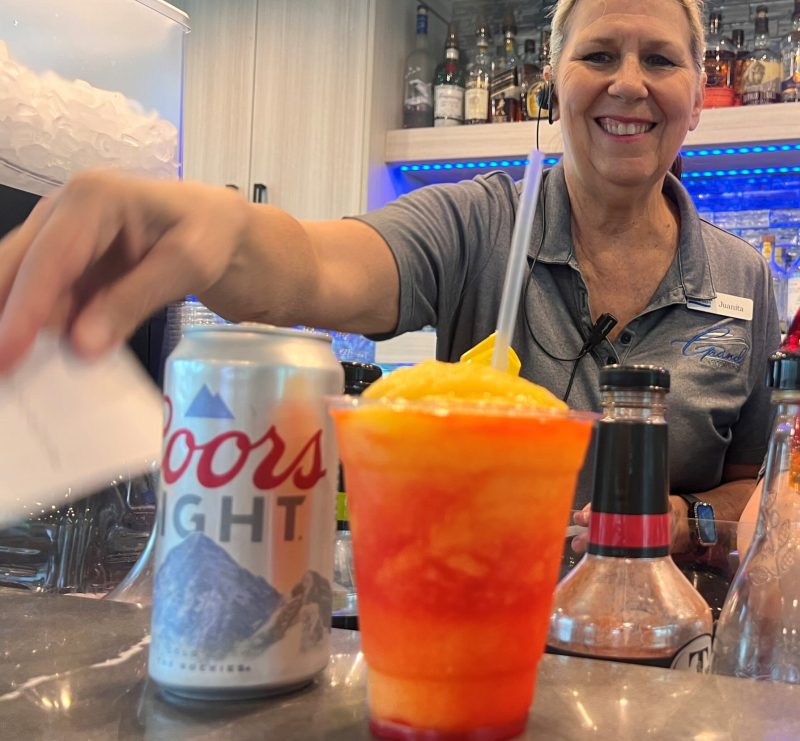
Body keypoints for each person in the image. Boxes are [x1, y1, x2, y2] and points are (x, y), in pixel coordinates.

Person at [0, 0, 779, 555]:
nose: (630, 82)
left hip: (669, 646)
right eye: (599, 55)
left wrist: (681, 522)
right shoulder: (474, 223)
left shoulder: (745, 277)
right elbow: (316, 262)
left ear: (696, 98)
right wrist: (224, 232)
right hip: (473, 612)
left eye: (661, 59)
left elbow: (759, 486)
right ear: (553, 82)